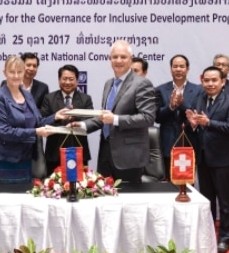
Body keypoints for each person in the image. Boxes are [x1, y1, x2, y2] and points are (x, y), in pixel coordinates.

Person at [81, 40, 156, 183]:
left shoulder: (141, 83)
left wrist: (115, 119)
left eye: (123, 57)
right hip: (105, 154)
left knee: (130, 203)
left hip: (129, 157)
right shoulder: (109, 83)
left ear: (131, 59)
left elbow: (148, 118)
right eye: (115, 57)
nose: (118, 60)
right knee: (105, 201)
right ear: (110, 60)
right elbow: (104, 116)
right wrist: (82, 126)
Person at [186, 66, 229, 253]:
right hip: (203, 158)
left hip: (224, 159)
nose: (210, 84)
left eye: (214, 80)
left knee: (226, 202)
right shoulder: (199, 98)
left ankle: (225, 237)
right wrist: (193, 124)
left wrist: (208, 123)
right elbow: (197, 126)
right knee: (207, 200)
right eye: (206, 80)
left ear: (223, 81)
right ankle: (209, 234)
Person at [0, 56, 66, 184]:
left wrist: (55, 116)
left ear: (24, 73)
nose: (16, 76)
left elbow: (38, 122)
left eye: (19, 72)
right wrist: (35, 132)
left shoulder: (27, 95)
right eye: (12, 72)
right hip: (3, 161)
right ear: (5, 73)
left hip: (25, 159)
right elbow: (5, 132)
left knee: (22, 201)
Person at [155, 54, 202, 181]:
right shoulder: (160, 89)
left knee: (186, 185)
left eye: (182, 66)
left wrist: (182, 104)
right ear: (171, 69)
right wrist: (170, 106)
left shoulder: (198, 90)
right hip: (167, 143)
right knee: (167, 185)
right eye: (175, 66)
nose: (178, 69)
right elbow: (157, 117)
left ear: (187, 69)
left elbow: (196, 114)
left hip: (189, 142)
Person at [40, 64, 93, 175]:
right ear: (59, 80)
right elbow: (42, 121)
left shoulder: (86, 99)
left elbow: (91, 121)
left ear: (77, 81)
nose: (67, 82)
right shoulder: (49, 98)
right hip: (54, 153)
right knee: (53, 189)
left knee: (80, 187)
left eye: (71, 79)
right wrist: (56, 117)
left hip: (79, 151)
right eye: (64, 79)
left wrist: (76, 117)